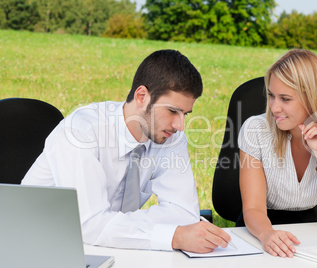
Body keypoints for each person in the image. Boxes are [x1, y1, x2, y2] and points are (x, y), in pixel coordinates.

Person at [22, 49, 231, 253]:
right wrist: (173, 236)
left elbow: (184, 214)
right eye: (172, 111)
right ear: (141, 96)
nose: (180, 125)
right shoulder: (81, 132)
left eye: (185, 113)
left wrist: (115, 227)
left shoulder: (170, 137)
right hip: (37, 244)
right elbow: (89, 224)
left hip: (110, 248)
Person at [237, 49, 317, 258]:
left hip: (314, 232)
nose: (275, 107)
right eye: (271, 96)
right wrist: (267, 234)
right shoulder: (255, 130)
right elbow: (253, 208)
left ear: (313, 98)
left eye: (285, 99)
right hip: (260, 230)